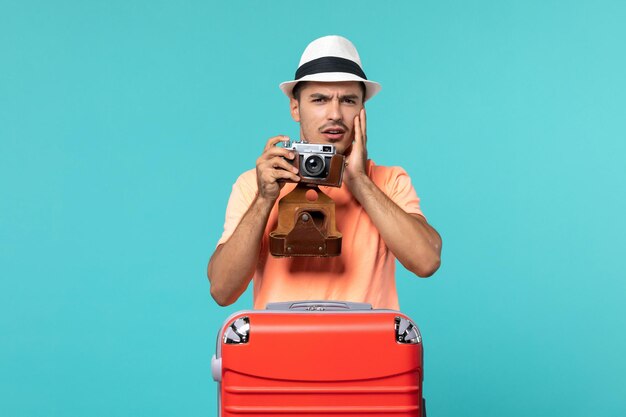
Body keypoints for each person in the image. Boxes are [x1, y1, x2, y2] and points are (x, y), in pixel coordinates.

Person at [207, 35, 442, 309]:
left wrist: (360, 183)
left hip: (366, 348)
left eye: (348, 100)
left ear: (362, 111)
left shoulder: (388, 181)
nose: (335, 114)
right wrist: (264, 199)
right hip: (281, 349)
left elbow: (427, 261)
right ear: (296, 108)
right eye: (319, 100)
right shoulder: (255, 184)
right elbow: (222, 290)